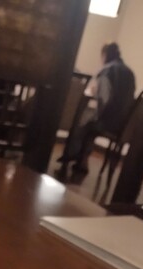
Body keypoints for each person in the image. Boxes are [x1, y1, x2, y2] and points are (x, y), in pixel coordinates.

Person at [58, 42, 135, 174]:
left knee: (83, 121)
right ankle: (83, 160)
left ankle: (70, 158)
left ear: (104, 55)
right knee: (90, 121)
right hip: (123, 124)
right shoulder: (129, 73)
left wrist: (96, 94)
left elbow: (104, 98)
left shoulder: (107, 70)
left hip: (108, 122)